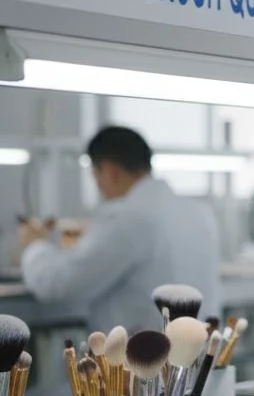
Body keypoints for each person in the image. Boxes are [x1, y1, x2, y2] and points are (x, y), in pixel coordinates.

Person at [20, 125, 222, 332]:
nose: (99, 186)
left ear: (110, 172)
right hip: (199, 358)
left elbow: (58, 284)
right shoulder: (198, 212)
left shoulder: (127, 218)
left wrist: (36, 244)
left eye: (96, 175)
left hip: (144, 358)